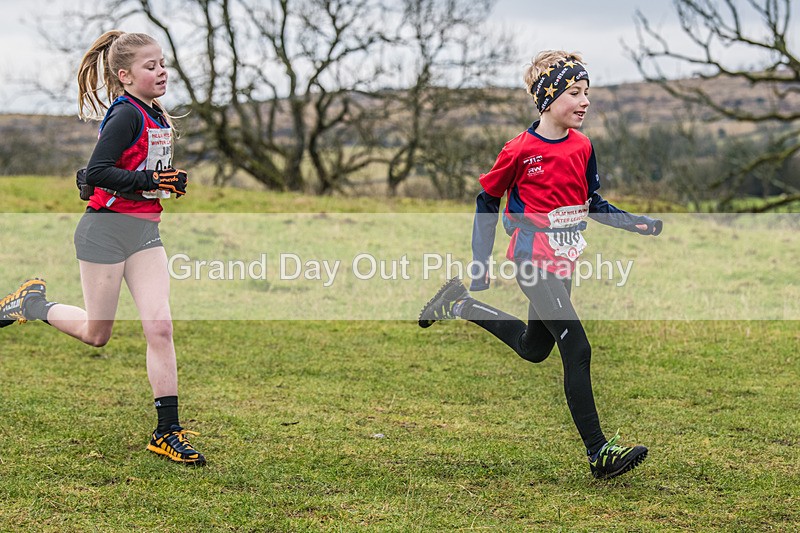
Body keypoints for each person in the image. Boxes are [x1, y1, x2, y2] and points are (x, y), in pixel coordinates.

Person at [418, 50, 662, 480]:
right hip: (532, 261)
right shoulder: (519, 150)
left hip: (565, 261)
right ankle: (599, 453)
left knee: (535, 348)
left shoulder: (583, 146)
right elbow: (486, 201)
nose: (585, 101)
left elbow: (593, 204)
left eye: (587, 92)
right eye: (574, 92)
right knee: (577, 348)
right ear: (548, 98)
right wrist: (480, 261)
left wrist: (635, 223)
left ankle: (457, 304)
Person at [0, 30, 204, 466]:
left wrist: (168, 181)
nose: (162, 72)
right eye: (151, 67)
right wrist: (151, 182)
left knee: (161, 327)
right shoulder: (126, 114)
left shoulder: (157, 113)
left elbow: (141, 172)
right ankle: (32, 304)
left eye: (163, 63)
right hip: (105, 233)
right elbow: (97, 173)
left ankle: (167, 431)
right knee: (98, 334)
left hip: (145, 234)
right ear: (125, 76)